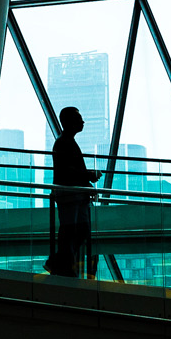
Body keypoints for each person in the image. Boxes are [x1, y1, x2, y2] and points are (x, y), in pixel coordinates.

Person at [45, 106, 101, 277]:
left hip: (73, 195)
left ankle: (59, 264)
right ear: (68, 121)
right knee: (71, 232)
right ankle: (61, 266)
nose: (82, 121)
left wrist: (87, 182)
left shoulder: (65, 142)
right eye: (78, 118)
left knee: (75, 231)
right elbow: (68, 171)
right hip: (70, 196)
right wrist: (89, 175)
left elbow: (69, 170)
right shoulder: (64, 143)